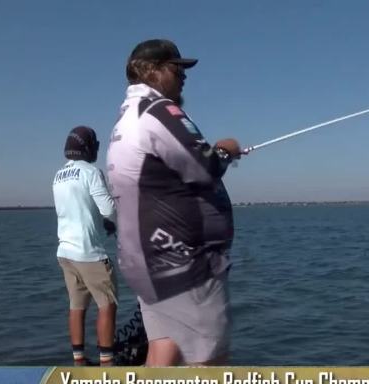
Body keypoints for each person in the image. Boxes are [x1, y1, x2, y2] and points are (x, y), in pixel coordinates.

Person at [106, 39, 243, 366]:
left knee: (163, 350)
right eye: (176, 68)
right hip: (184, 265)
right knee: (209, 364)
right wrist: (225, 150)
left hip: (149, 262)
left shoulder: (127, 119)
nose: (183, 76)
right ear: (151, 71)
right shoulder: (160, 112)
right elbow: (205, 166)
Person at [52, 125, 118, 366]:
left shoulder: (58, 176)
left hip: (65, 252)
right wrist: (117, 221)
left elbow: (78, 209)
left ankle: (79, 361)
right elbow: (108, 209)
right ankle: (106, 363)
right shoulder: (91, 172)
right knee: (107, 304)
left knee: (76, 305)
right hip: (89, 253)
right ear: (88, 147)